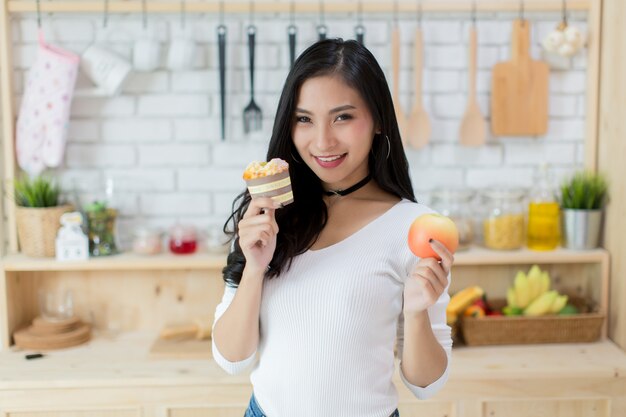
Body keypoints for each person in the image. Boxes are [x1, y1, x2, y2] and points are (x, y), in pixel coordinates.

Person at [212, 38, 454, 417]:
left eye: (343, 117)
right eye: (304, 119)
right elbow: (231, 358)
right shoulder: (268, 215)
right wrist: (255, 269)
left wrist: (418, 311)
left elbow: (426, 385)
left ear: (377, 121)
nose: (322, 141)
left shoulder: (414, 227)